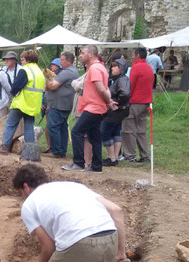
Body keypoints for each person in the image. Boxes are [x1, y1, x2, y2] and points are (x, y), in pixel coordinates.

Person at [62, 45, 115, 173]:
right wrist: (108, 102)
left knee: (76, 132)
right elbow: (104, 88)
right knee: (94, 136)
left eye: (83, 53)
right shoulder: (99, 68)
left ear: (91, 54)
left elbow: (101, 89)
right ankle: (96, 166)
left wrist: (108, 102)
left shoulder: (95, 69)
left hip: (94, 108)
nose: (80, 55)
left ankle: (79, 163)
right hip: (96, 107)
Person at [0, 50, 45, 155]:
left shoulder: (25, 70)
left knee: (10, 124)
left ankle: (4, 147)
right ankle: (30, 151)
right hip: (33, 105)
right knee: (29, 127)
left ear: (28, 60)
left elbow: (15, 87)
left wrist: (13, 93)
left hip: (21, 103)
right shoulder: (39, 72)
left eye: (22, 59)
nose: (21, 61)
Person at [121, 48, 154, 163]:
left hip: (135, 102)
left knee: (128, 129)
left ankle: (130, 155)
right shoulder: (149, 68)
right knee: (141, 130)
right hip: (146, 102)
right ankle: (144, 155)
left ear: (138, 55)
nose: (132, 57)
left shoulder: (136, 67)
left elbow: (131, 85)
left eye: (133, 54)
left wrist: (126, 101)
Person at [44, 52, 79, 158]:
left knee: (53, 127)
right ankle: (61, 150)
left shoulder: (67, 72)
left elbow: (53, 86)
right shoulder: (73, 71)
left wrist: (47, 80)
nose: (60, 62)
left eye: (62, 60)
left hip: (59, 105)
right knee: (62, 127)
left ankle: (56, 151)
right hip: (64, 104)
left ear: (68, 61)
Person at [101, 59, 130, 167]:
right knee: (115, 131)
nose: (112, 68)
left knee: (105, 131)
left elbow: (125, 94)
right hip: (120, 110)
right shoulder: (118, 79)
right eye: (112, 66)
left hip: (116, 111)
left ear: (121, 68)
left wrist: (117, 104)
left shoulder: (122, 79)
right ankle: (115, 157)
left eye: (115, 66)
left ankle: (112, 157)